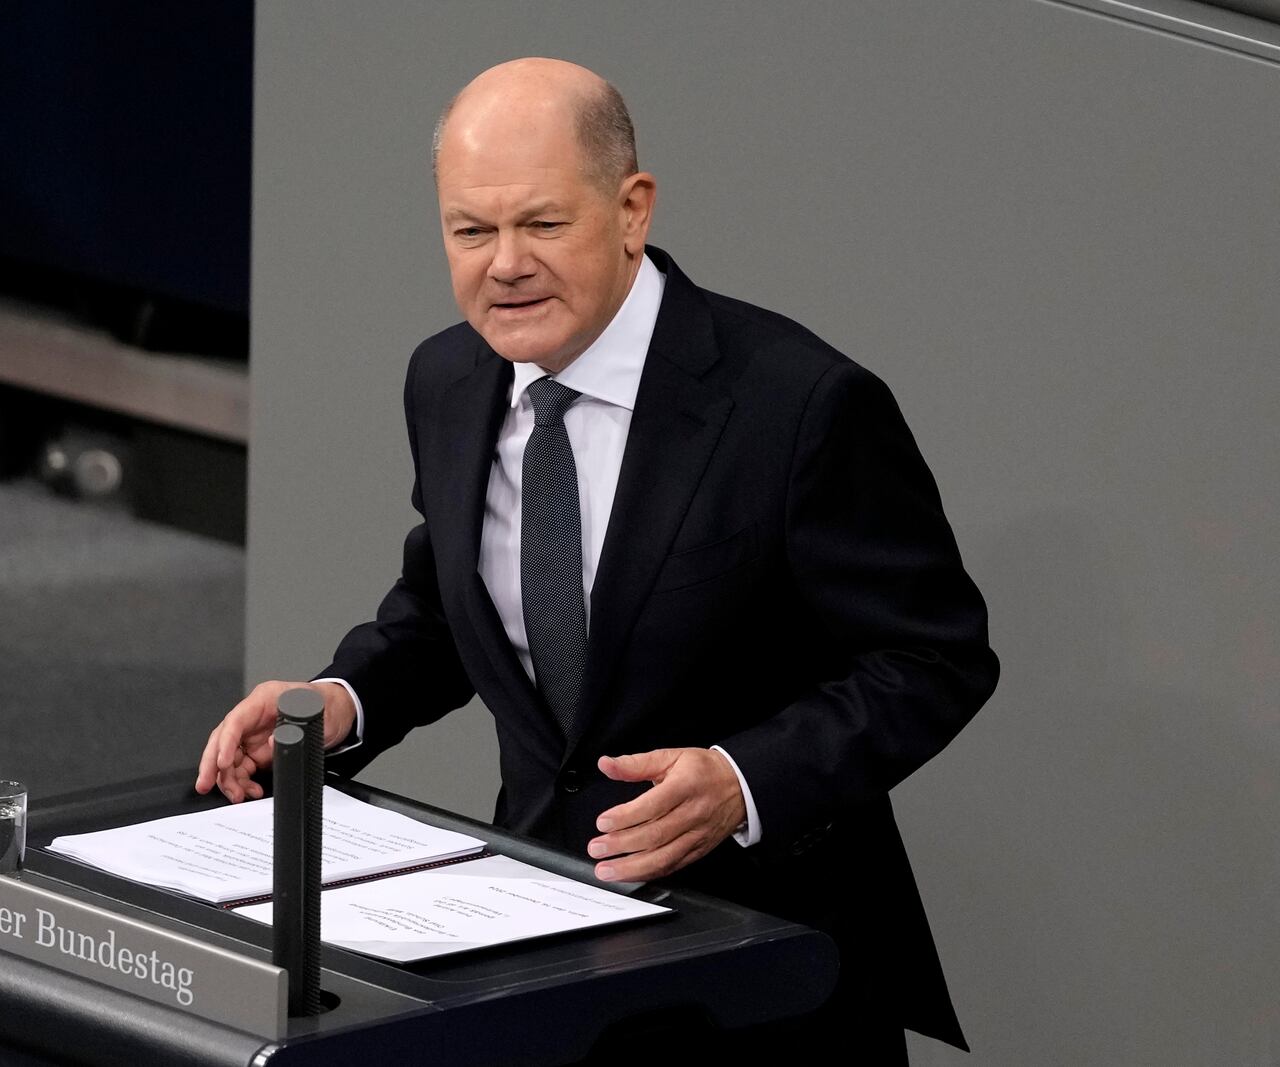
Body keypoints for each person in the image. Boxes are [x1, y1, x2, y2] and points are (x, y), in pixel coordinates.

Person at [196, 57, 997, 1060]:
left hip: (757, 972)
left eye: (541, 224)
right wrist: (337, 699)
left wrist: (742, 779)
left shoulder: (796, 406)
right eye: (470, 231)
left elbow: (933, 657)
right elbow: (449, 609)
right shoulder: (446, 379)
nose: (504, 264)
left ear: (631, 210)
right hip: (535, 945)